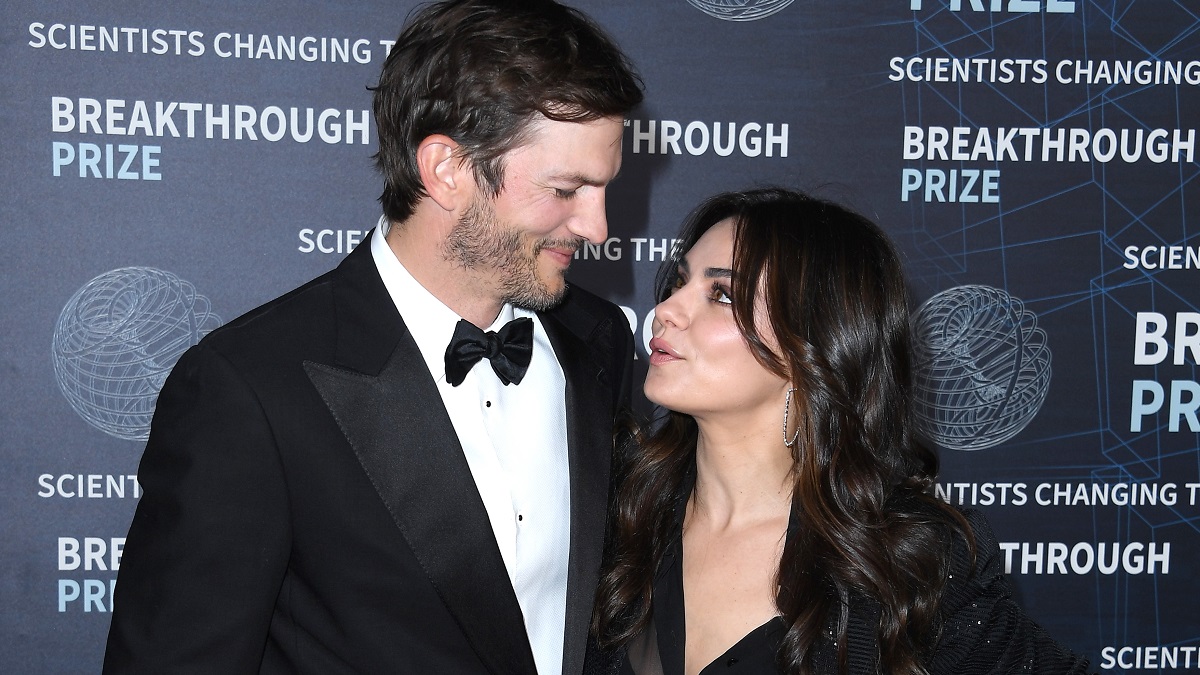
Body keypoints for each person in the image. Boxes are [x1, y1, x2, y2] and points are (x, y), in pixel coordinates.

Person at [103, 1, 643, 673]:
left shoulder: (599, 343)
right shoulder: (251, 390)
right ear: (448, 169)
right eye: (567, 189)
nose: (597, 227)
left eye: (603, 189)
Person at [591, 188, 1092, 674]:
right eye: (679, 283)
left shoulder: (904, 559)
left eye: (720, 294)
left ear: (811, 344)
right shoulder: (616, 508)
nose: (665, 311)